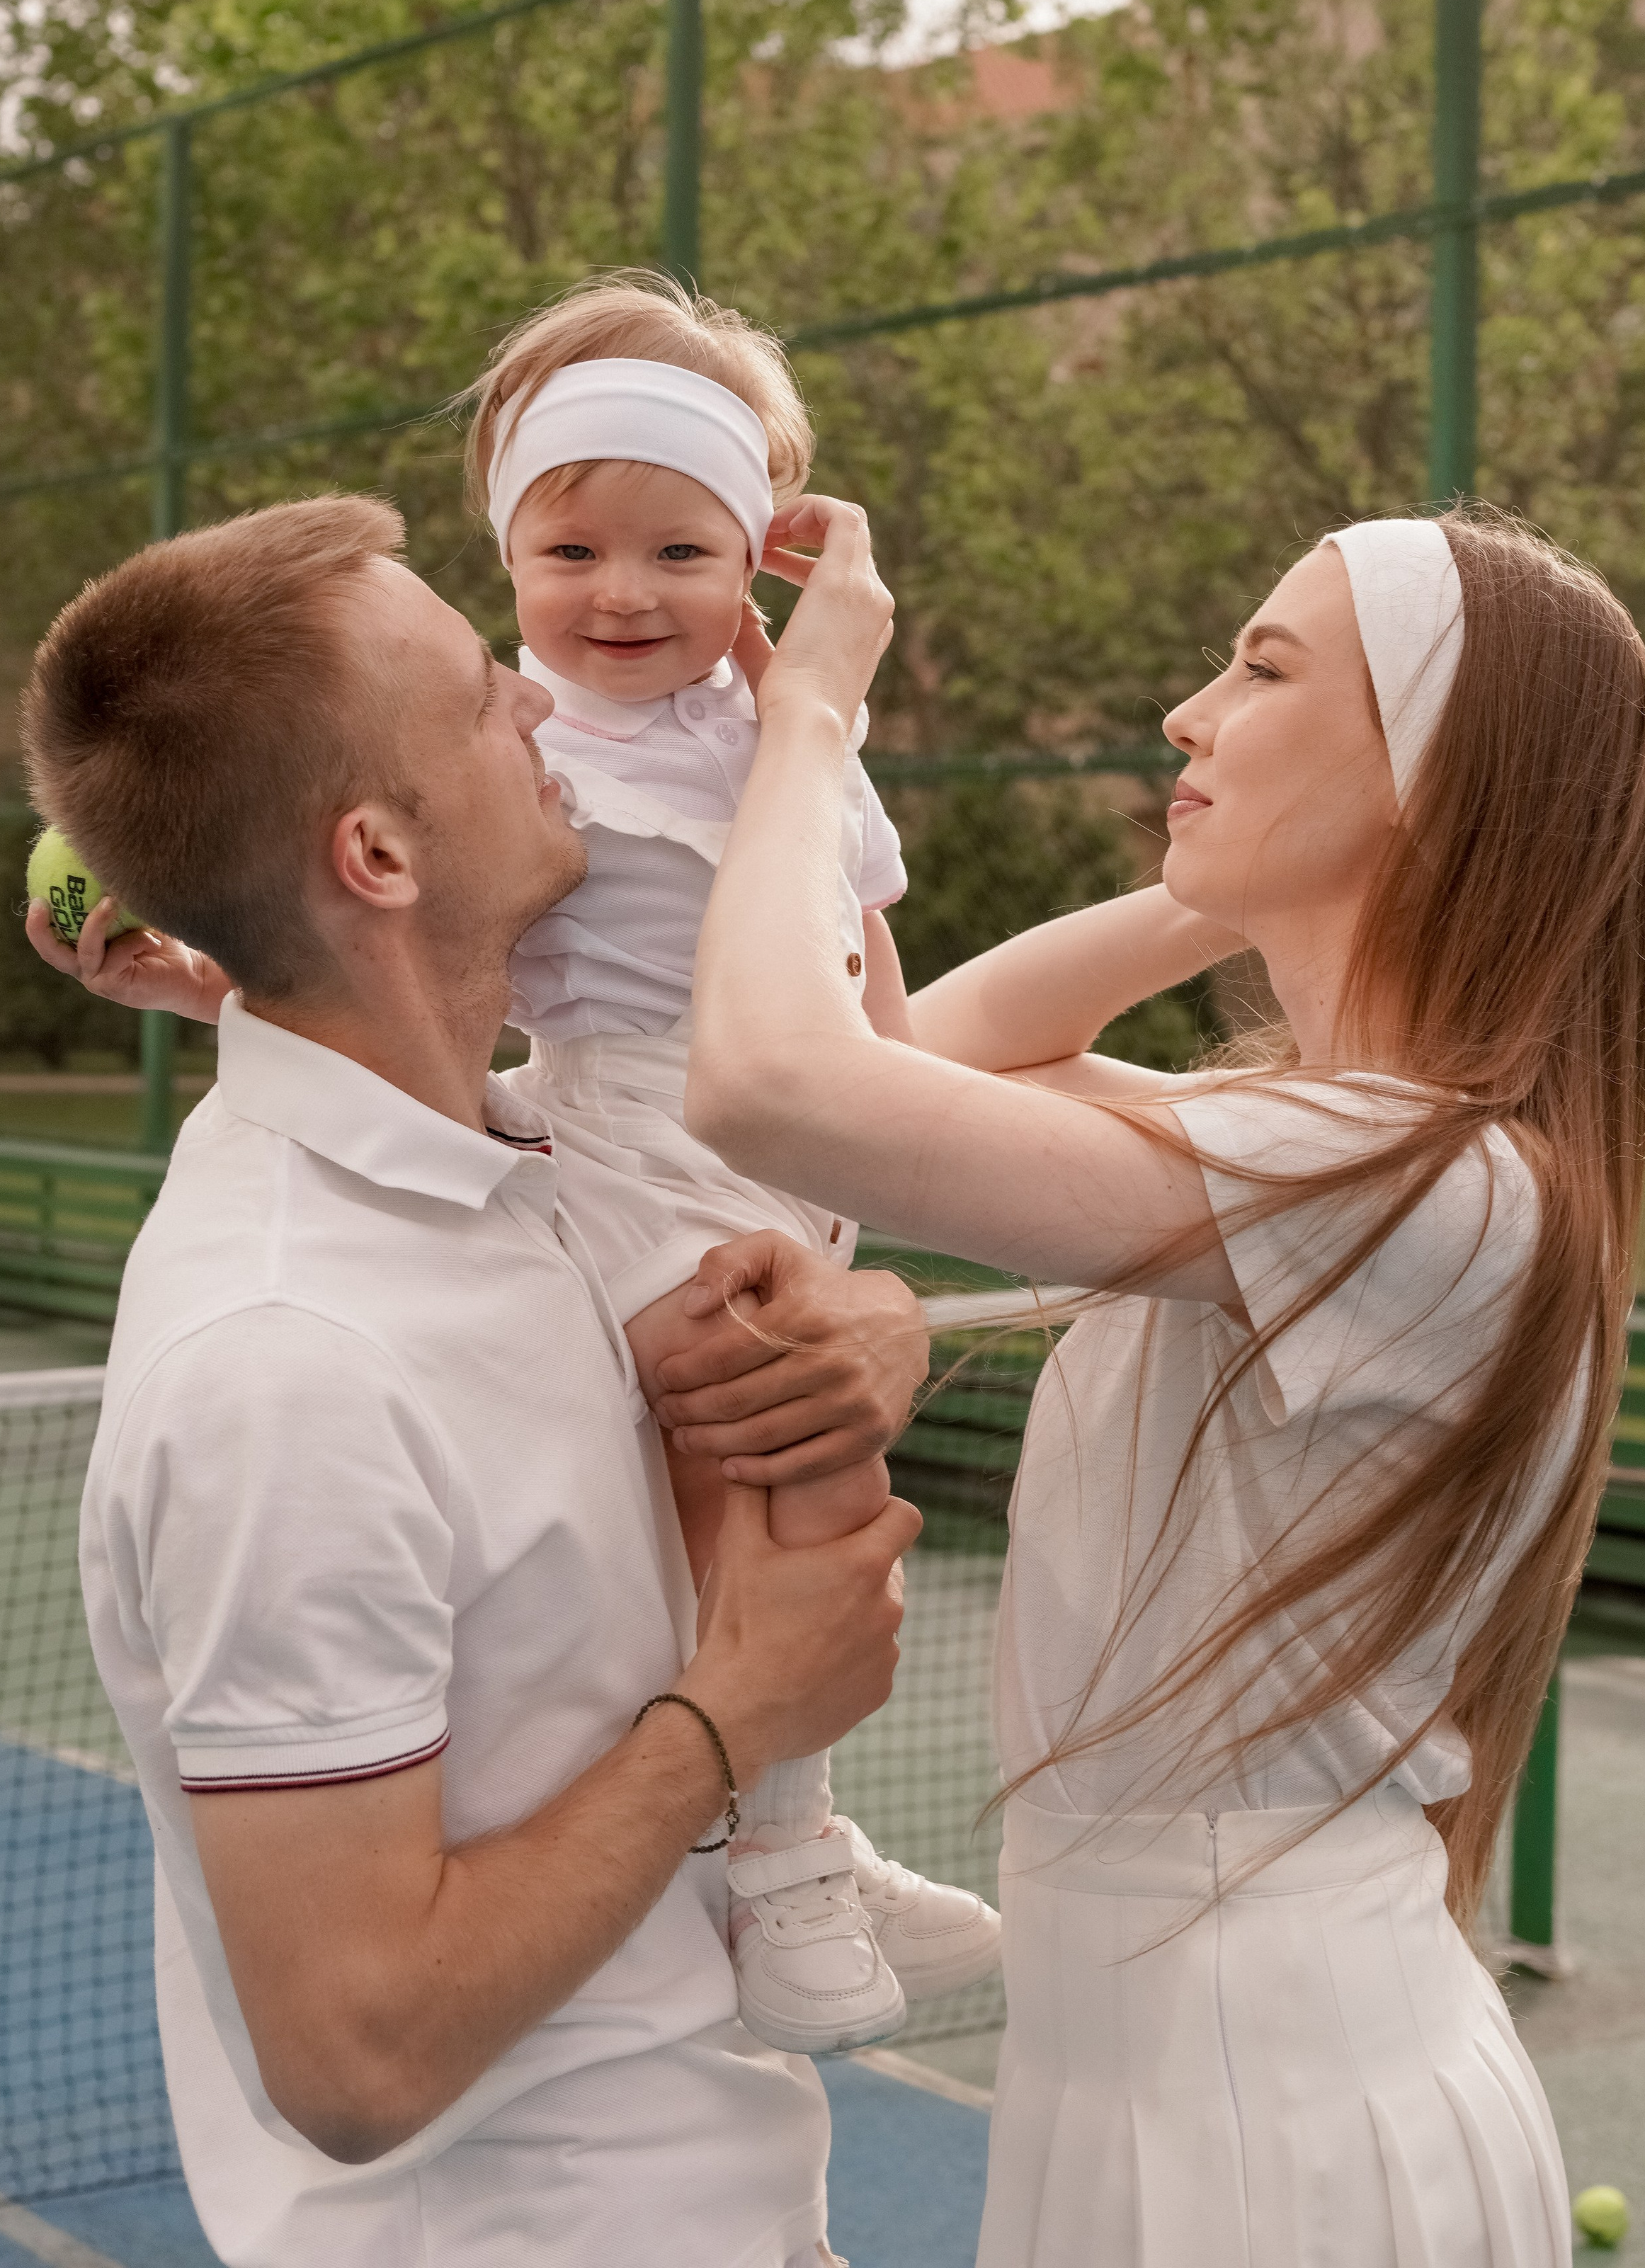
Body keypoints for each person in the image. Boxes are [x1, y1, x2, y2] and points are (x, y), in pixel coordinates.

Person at [683, 496, 1645, 2267]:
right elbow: (926, 1054)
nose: (1185, 715)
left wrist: (811, 723)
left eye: (1262, 668)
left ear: (1428, 778)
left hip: (1268, 2118)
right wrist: (1239, 865)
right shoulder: (1320, 1149)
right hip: (1184, 2068)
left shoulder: (1413, 1184)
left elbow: (770, 1077)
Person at [20, 491, 928, 2268]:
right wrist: (735, 1716)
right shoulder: (289, 1370)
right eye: (473, 693)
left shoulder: (515, 1169)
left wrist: (862, 1314)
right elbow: (354, 2056)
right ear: (376, 855)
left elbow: (771, 1216)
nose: (535, 694)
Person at [455, 268, 998, 2053]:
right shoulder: (489, 740)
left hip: (788, 1160)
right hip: (622, 1148)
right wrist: (208, 978)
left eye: (681, 552)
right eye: (575, 549)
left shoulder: (787, 735)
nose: (623, 593)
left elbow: (858, 951)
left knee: (821, 1518)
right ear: (510, 551)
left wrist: (901, 1118)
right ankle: (778, 1871)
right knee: (772, 1489)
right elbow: (402, 953)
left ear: (760, 553)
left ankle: (803, 1833)